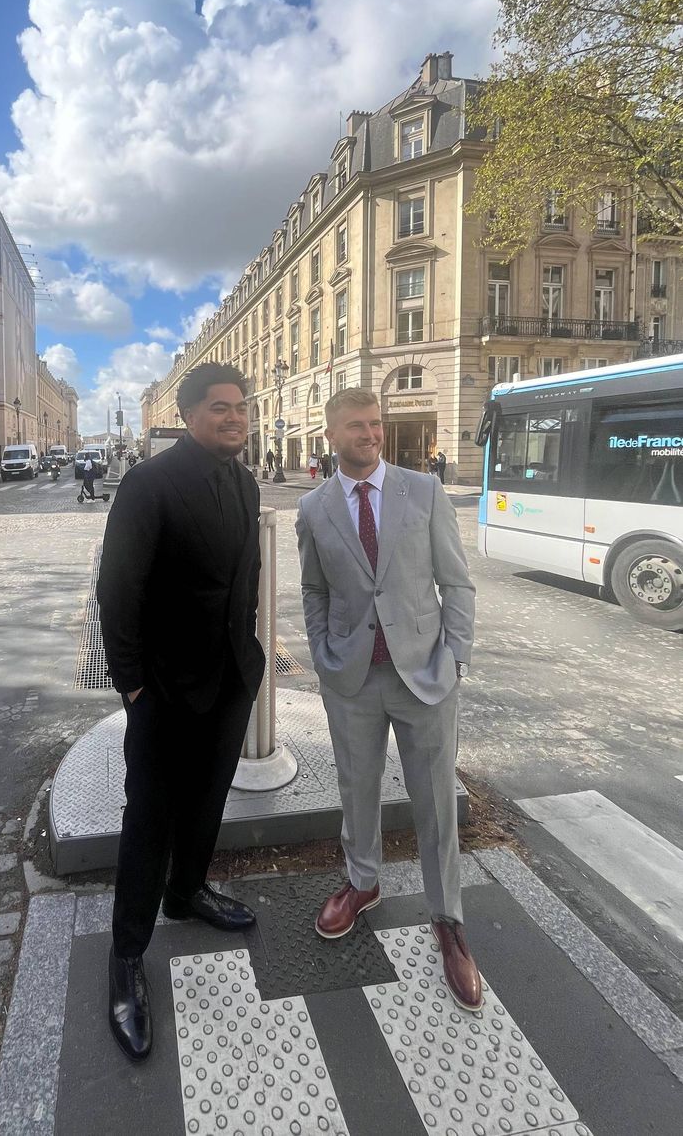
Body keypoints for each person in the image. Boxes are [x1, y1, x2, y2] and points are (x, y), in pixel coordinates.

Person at [97, 362, 265, 1062]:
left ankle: (188, 891)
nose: (235, 417)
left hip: (228, 682)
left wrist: (248, 663)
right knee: (150, 822)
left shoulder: (245, 480)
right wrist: (134, 687)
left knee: (206, 805)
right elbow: (118, 590)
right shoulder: (149, 484)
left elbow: (240, 581)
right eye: (220, 407)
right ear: (190, 412)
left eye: (241, 406)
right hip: (165, 694)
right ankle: (126, 957)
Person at [295, 388, 481, 1013]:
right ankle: (362, 882)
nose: (371, 434)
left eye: (375, 424)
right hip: (352, 680)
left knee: (435, 800)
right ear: (332, 435)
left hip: (425, 674)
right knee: (357, 788)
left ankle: (448, 919)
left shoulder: (423, 491)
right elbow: (313, 590)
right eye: (357, 426)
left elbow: (455, 581)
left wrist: (456, 657)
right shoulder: (314, 508)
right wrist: (323, 653)